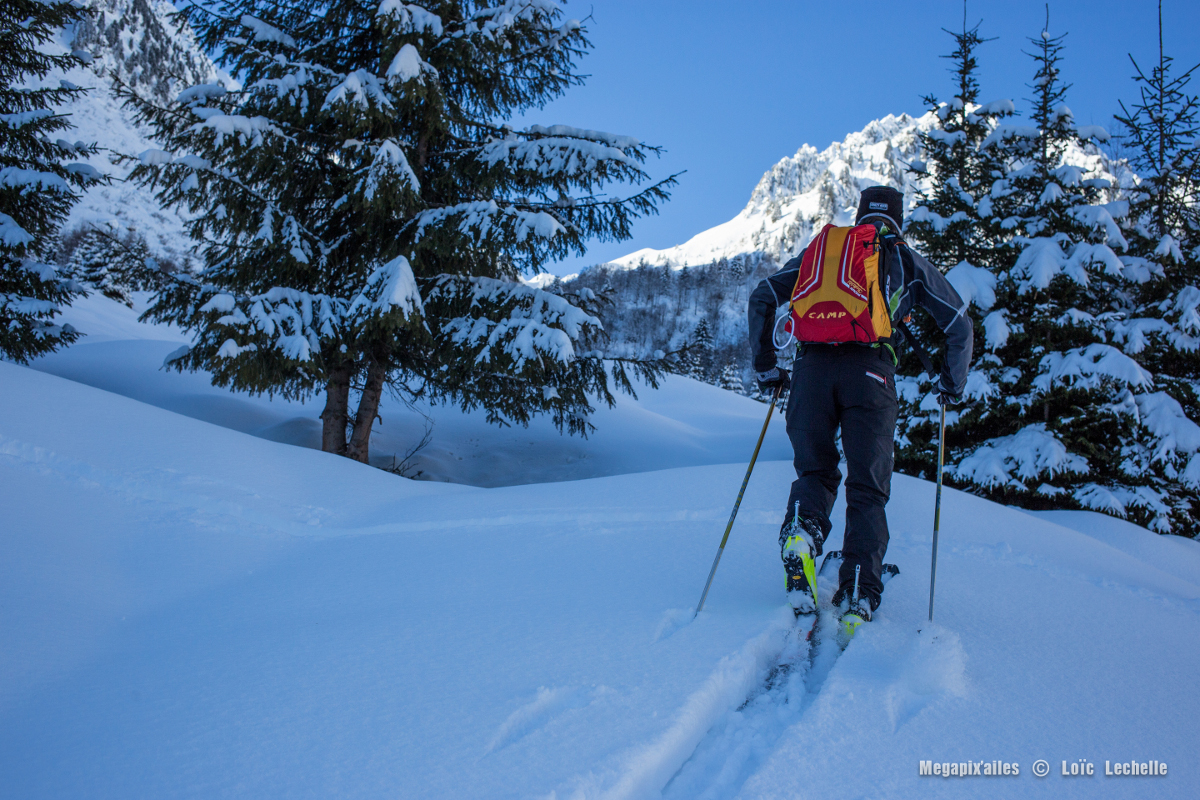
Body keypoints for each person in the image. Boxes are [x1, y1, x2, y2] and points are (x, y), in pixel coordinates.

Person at [746, 185, 973, 625]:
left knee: (814, 471)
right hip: (871, 375)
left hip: (810, 374)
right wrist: (951, 384)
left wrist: (767, 368)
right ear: (897, 221)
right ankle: (857, 590)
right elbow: (959, 324)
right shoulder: (904, 258)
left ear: (861, 214)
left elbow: (762, 297)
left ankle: (802, 533)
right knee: (867, 487)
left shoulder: (826, 251)